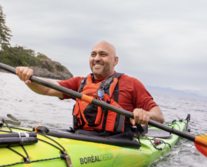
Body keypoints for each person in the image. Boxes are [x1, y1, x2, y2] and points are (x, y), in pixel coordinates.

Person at [15, 41, 164, 137]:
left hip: (119, 141)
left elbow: (159, 116)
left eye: (103, 54)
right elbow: (47, 88)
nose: (97, 58)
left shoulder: (132, 84)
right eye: (93, 54)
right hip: (81, 136)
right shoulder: (80, 83)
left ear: (115, 60)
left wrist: (146, 115)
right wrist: (29, 78)